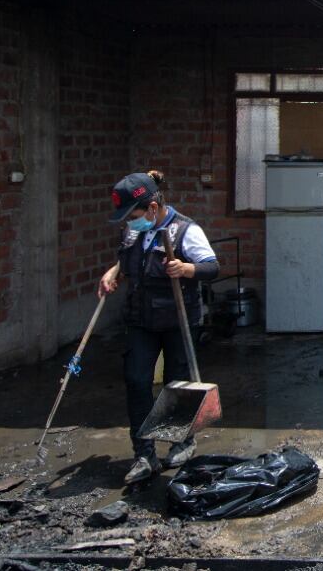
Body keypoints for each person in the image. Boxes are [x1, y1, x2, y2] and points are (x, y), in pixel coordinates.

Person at [99, 170, 219, 485]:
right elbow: (129, 261)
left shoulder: (185, 230)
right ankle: (144, 453)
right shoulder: (133, 232)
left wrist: (187, 268)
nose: (130, 221)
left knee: (176, 383)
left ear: (152, 207)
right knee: (136, 380)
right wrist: (114, 272)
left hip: (178, 319)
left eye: (134, 215)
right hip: (141, 319)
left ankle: (182, 440)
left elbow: (212, 266)